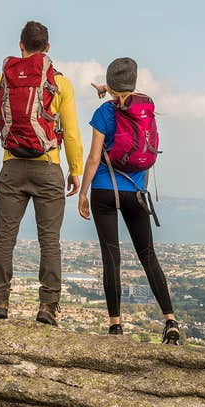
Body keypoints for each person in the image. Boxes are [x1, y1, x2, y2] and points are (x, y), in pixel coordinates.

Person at [0, 21, 83, 326]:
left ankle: (0, 302)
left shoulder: (1, 81)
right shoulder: (60, 84)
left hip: (11, 167)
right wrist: (75, 170)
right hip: (48, 166)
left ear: (21, 46)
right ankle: (47, 307)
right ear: (47, 48)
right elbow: (73, 133)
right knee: (49, 240)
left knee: (5, 237)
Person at [77, 57, 181, 344]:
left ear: (110, 86)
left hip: (103, 190)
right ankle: (170, 320)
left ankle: (116, 326)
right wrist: (108, 88)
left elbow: (94, 157)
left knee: (112, 258)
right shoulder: (145, 110)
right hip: (135, 191)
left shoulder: (104, 113)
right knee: (148, 256)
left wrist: (83, 193)